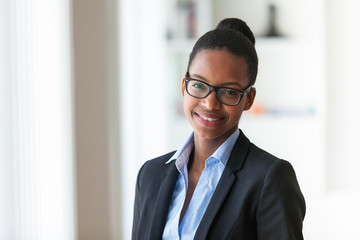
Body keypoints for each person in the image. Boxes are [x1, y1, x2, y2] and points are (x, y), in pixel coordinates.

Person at [132, 18, 305, 240]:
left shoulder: (270, 179)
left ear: (249, 99)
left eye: (229, 92)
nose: (210, 104)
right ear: (184, 86)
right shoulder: (150, 175)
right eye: (199, 85)